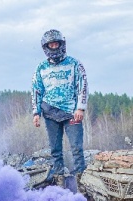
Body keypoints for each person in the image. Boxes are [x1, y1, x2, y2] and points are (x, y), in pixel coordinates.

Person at [31, 29, 89, 187]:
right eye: (51, 44)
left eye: (56, 43)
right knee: (55, 151)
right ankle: (60, 186)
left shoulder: (74, 64)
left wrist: (80, 108)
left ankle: (83, 187)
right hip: (50, 113)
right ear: (46, 47)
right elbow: (36, 90)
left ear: (61, 44)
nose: (54, 46)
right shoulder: (40, 68)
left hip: (71, 113)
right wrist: (36, 112)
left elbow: (82, 87)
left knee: (76, 149)